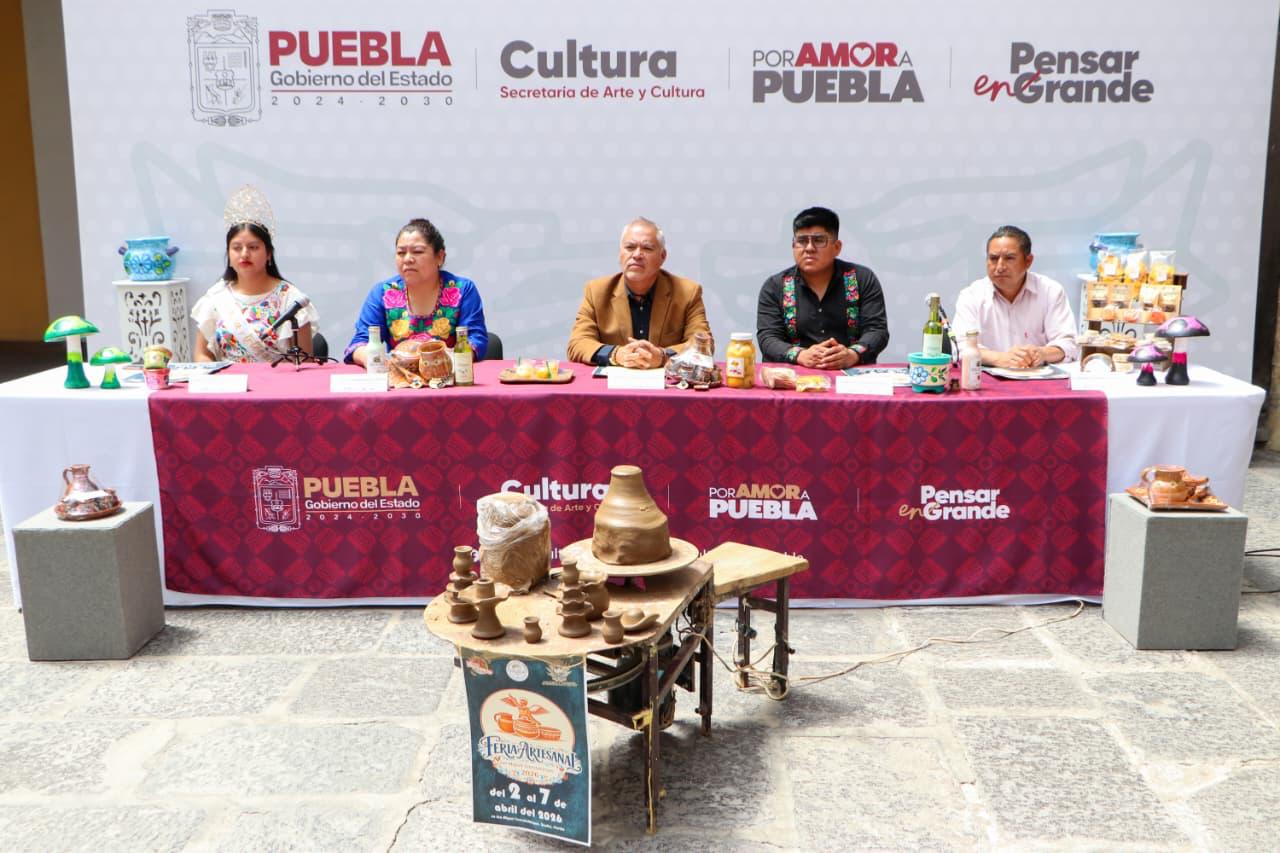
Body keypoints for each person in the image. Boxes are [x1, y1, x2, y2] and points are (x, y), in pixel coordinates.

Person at [566, 218, 712, 368]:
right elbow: (577, 343)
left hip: (665, 380)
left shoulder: (687, 292)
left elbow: (704, 344)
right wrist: (616, 354)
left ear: (662, 256)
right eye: (630, 247)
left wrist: (663, 356)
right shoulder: (596, 291)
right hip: (614, 381)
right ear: (620, 253)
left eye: (647, 248)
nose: (637, 255)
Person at [756, 207, 889, 368]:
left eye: (819, 240)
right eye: (802, 241)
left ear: (837, 247)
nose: (809, 248)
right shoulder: (775, 286)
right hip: (793, 377)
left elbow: (877, 331)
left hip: (850, 374)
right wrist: (800, 355)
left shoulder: (862, 279)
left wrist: (852, 354)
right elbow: (768, 337)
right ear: (793, 245)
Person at [345, 219, 488, 364]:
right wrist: (377, 361)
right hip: (400, 374)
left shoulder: (462, 290)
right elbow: (360, 343)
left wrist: (440, 360)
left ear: (440, 257)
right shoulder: (383, 293)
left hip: (448, 372)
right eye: (401, 253)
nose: (407, 259)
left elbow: (475, 340)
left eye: (418, 251)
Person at [192, 218, 318, 363]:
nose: (244, 254)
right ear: (229, 255)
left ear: (269, 253)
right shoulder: (217, 297)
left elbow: (305, 362)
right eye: (237, 248)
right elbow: (202, 355)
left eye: (253, 247)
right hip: (229, 377)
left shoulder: (290, 298)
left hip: (278, 377)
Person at [952, 225, 1079, 368]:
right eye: (993, 258)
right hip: (988, 378)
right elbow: (961, 346)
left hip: (1037, 376)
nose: (1000, 267)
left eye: (1009, 258)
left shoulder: (1051, 291)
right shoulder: (971, 296)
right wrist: (1000, 358)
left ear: (1028, 261)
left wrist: (1041, 353)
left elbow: (1068, 344)